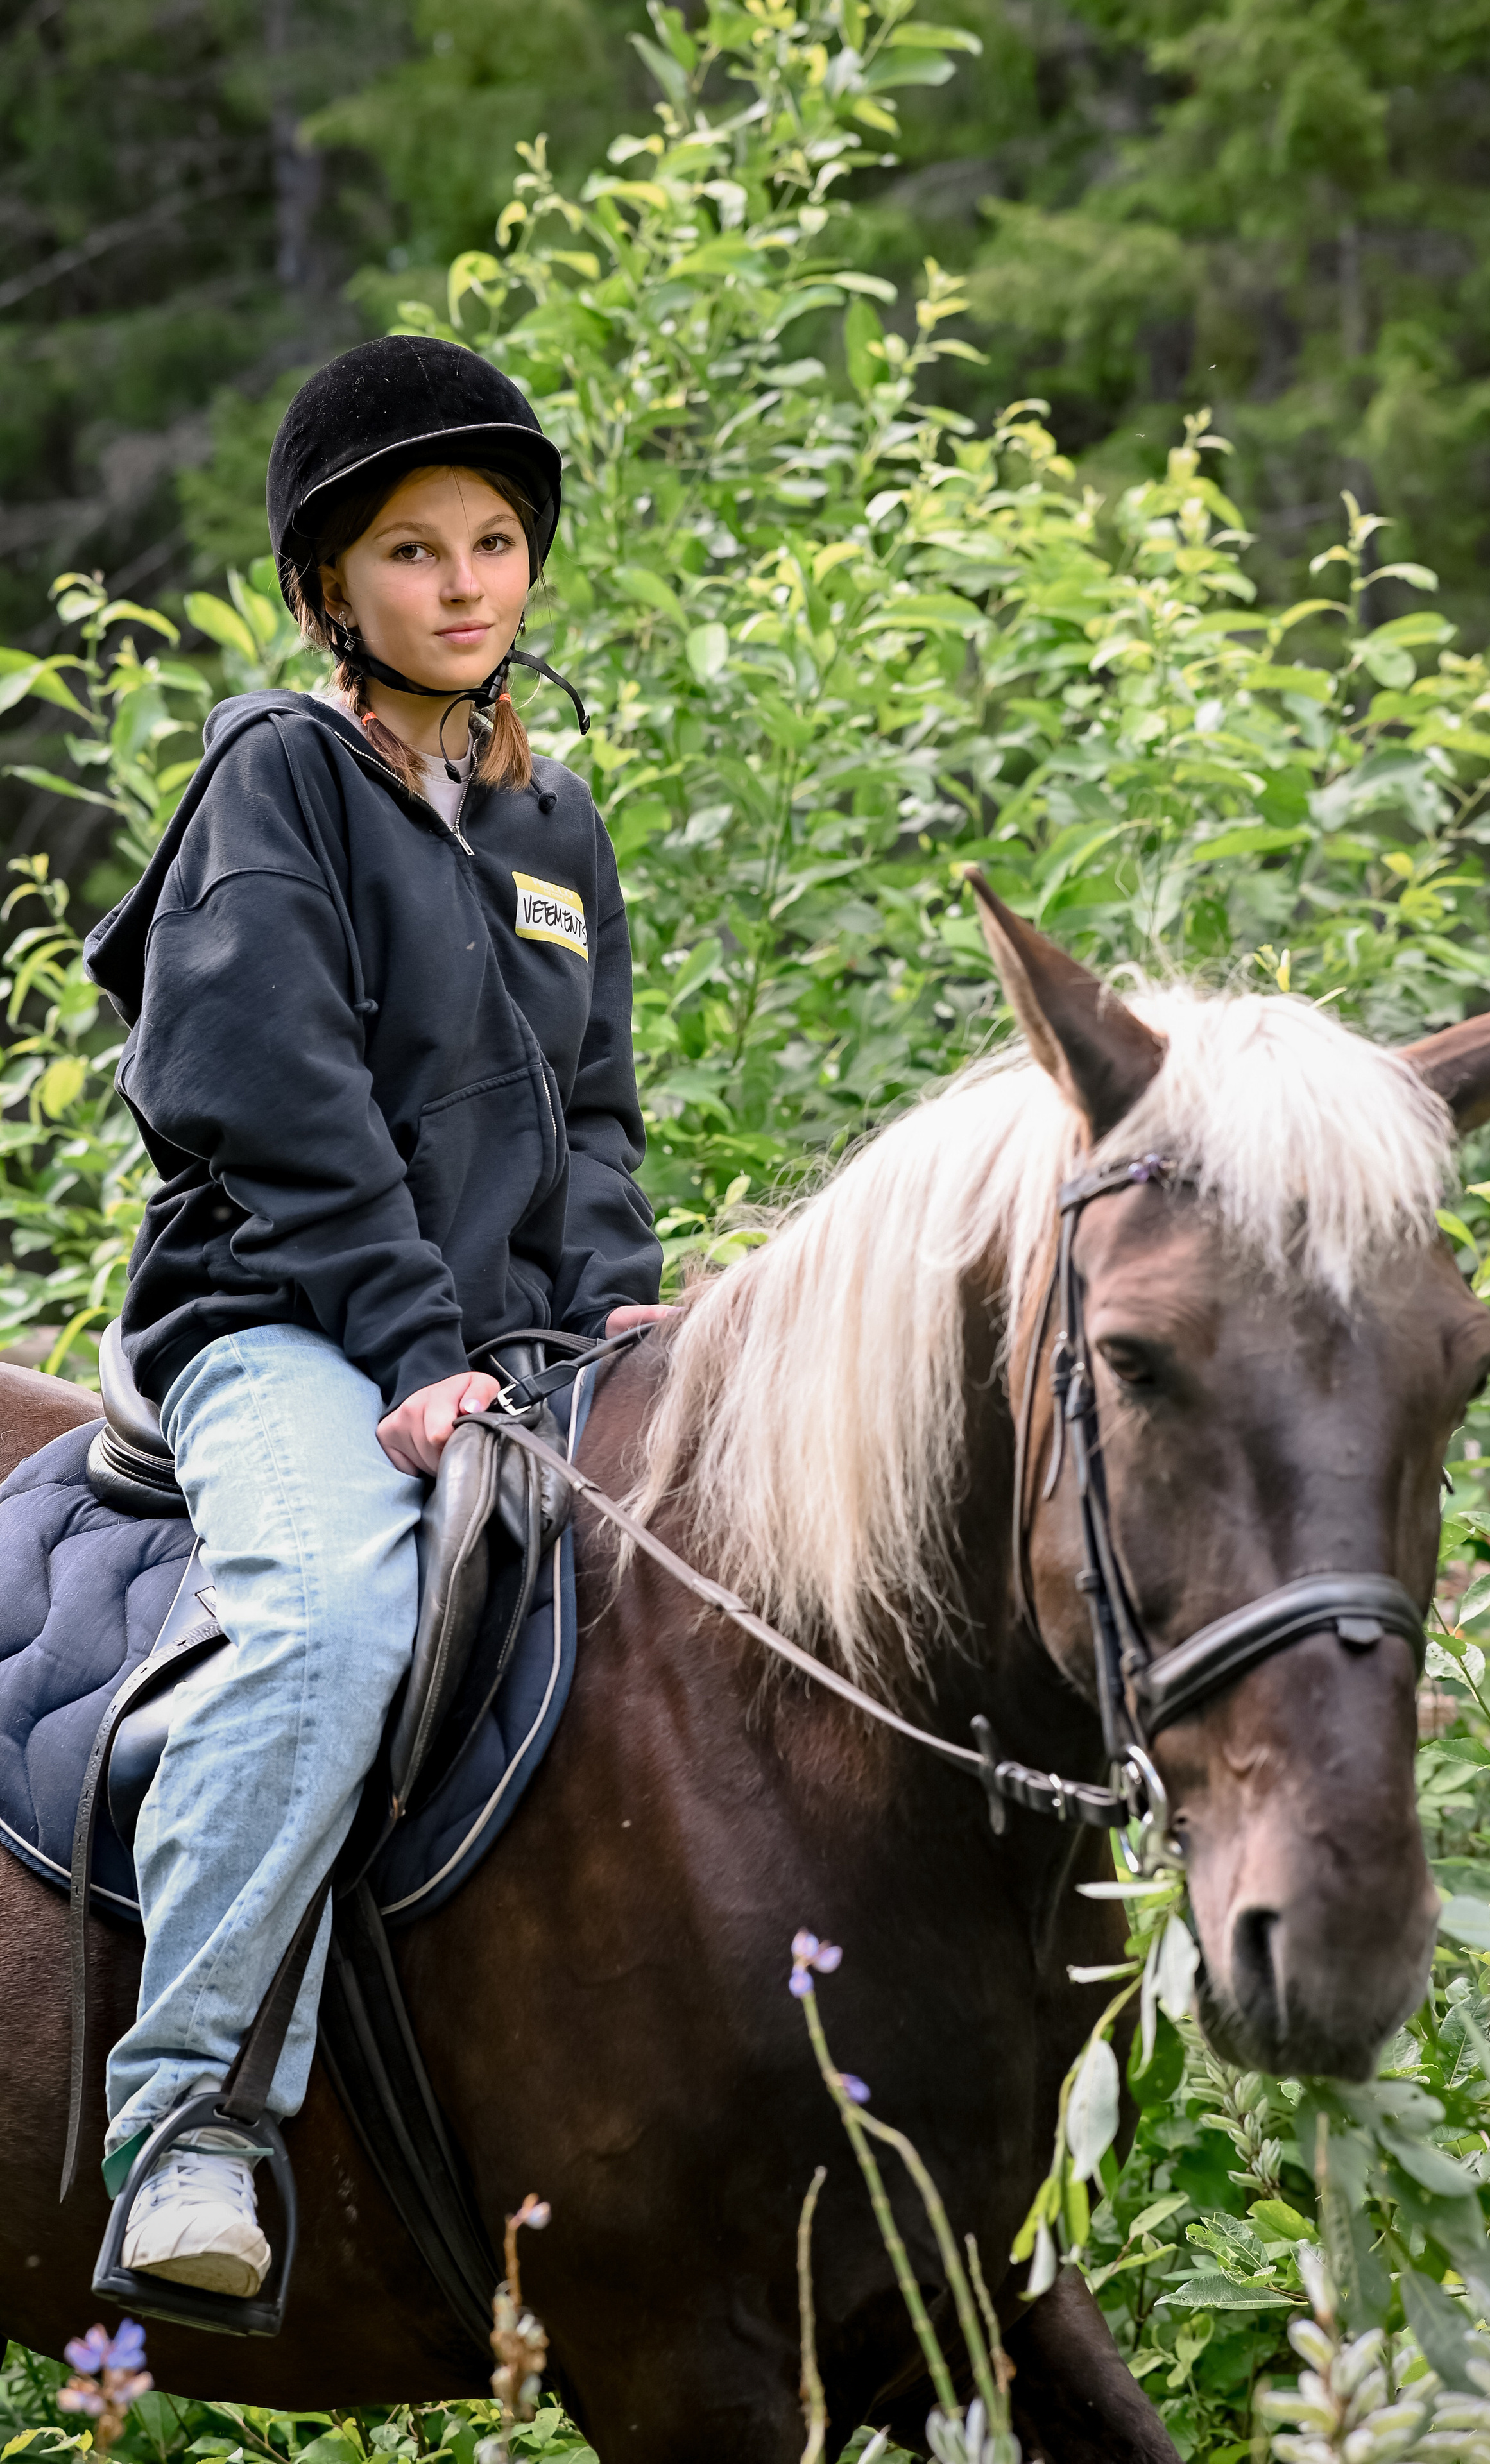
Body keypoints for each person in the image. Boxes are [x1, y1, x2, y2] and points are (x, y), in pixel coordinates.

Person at [82, 334, 668, 2297]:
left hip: (506, 1358)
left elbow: (593, 1116)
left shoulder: (552, 827)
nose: (468, 581)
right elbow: (274, 1093)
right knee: (336, 1622)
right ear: (334, 587)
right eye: (414, 551)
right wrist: (421, 1348)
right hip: (291, 1332)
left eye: (498, 540)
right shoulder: (281, 776)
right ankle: (190, 2118)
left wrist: (618, 1317)